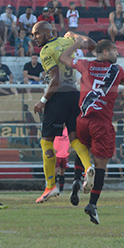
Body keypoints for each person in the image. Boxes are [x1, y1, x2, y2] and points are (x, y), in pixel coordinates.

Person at [59, 36, 124, 225]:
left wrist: (77, 43)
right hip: (101, 123)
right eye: (114, 50)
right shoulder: (117, 70)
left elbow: (63, 57)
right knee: (102, 165)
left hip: (82, 120)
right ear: (105, 52)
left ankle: (76, 181)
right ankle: (92, 204)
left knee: (82, 149)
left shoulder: (85, 65)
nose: (117, 52)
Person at [30, 22, 95, 204]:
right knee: (75, 139)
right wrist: (75, 35)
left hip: (57, 98)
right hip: (74, 95)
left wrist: (42, 102)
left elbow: (55, 80)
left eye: (37, 34)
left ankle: (51, 186)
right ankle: (89, 167)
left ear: (47, 33)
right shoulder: (67, 41)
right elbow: (93, 45)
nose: (34, 37)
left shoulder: (46, 51)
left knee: (46, 142)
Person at [53, 127, 70, 193]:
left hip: (65, 154)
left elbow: (70, 139)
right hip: (57, 155)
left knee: (62, 172)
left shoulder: (67, 130)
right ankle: (53, 188)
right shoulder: (56, 129)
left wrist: (70, 147)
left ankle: (61, 189)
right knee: (55, 172)